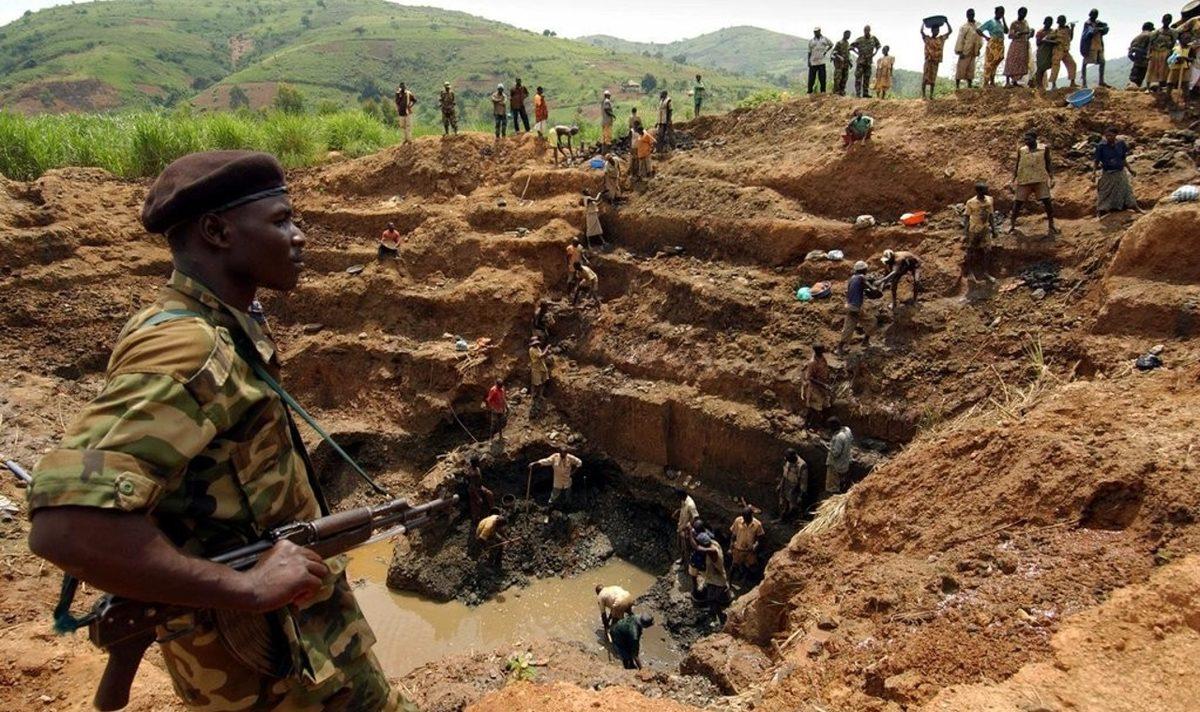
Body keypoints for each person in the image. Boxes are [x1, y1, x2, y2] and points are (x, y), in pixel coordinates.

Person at [26, 150, 404, 711]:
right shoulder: (190, 347)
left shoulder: (217, 324)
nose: (299, 236)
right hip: (269, 673)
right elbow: (66, 526)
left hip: (301, 644)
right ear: (216, 231)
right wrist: (248, 589)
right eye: (280, 220)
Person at [1009, 130, 1059, 235]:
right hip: (1024, 179)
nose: (1026, 141)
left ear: (1035, 139)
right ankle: (1012, 225)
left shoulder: (1044, 149)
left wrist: (1052, 177)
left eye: (1028, 139)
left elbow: (1048, 163)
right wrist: (1013, 179)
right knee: (1017, 203)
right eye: (1025, 139)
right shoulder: (1021, 150)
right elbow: (1018, 165)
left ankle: (1051, 224)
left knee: (1047, 202)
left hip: (1040, 179)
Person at [1094, 127, 1142, 217]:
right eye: (1106, 135)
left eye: (1110, 135)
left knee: (1126, 190)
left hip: (1120, 172)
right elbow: (1096, 161)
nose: (1108, 137)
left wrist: (1130, 169)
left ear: (1115, 135)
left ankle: (1134, 207)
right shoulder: (1101, 146)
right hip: (1108, 173)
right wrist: (1094, 173)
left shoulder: (1121, 144)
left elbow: (1123, 158)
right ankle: (1101, 211)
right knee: (1104, 192)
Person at [960, 181, 998, 288]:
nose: (987, 191)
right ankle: (970, 273)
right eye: (985, 189)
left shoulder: (989, 200)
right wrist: (965, 232)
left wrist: (994, 229)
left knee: (987, 251)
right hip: (974, 230)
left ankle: (985, 273)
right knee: (971, 251)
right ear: (979, 191)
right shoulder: (970, 202)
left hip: (985, 229)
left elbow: (991, 215)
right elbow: (967, 217)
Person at [836, 260, 874, 354]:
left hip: (850, 305)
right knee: (872, 322)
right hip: (856, 307)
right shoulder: (861, 277)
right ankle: (865, 341)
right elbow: (872, 288)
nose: (866, 271)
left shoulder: (852, 278)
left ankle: (840, 348)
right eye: (866, 269)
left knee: (848, 327)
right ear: (863, 270)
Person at [693, 532, 729, 622]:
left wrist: (690, 532)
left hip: (718, 581)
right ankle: (712, 613)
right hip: (712, 578)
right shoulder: (713, 543)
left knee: (713, 600)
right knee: (710, 597)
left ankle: (721, 617)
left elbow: (698, 548)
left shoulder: (712, 551)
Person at [729, 507, 765, 586]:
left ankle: (754, 584)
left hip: (750, 551)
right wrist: (731, 546)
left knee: (753, 568)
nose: (746, 520)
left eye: (748, 518)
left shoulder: (757, 524)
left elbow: (761, 538)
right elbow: (733, 535)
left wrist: (756, 546)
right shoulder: (738, 521)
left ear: (752, 515)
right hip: (738, 549)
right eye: (744, 518)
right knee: (734, 566)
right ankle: (729, 583)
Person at [801, 345, 832, 425]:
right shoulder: (812, 362)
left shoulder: (822, 357)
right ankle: (808, 425)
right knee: (815, 408)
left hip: (824, 386)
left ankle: (823, 424)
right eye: (822, 348)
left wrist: (827, 379)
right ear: (818, 350)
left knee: (826, 405)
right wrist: (823, 385)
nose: (824, 349)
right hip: (816, 388)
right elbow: (810, 378)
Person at [1079, 9, 1110, 89]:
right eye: (1093, 14)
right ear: (1090, 14)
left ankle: (1101, 81)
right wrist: (1098, 29)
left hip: (1099, 45)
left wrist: (1102, 28)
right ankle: (1084, 83)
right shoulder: (1087, 23)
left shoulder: (1098, 22)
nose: (1095, 16)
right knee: (1085, 63)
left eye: (1096, 14)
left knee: (1102, 62)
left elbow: (1105, 27)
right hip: (1091, 46)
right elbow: (1089, 32)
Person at [922, 21, 953, 99]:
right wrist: (923, 23)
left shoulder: (941, 39)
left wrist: (946, 22)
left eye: (937, 30)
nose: (936, 31)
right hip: (928, 61)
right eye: (935, 30)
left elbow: (950, 31)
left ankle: (931, 96)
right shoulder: (927, 39)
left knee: (933, 79)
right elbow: (921, 32)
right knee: (925, 78)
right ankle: (923, 95)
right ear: (932, 30)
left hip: (935, 61)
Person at [979, 7, 1009, 87]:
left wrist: (1004, 19)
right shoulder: (991, 22)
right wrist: (986, 37)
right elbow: (979, 30)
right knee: (990, 63)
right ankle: (986, 83)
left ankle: (992, 82)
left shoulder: (1000, 23)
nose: (1001, 14)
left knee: (996, 62)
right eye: (1000, 12)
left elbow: (1007, 31)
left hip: (1000, 44)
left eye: (1003, 13)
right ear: (995, 12)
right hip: (993, 43)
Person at [955, 9, 984, 89]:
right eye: (969, 14)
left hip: (973, 50)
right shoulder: (964, 27)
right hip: (965, 50)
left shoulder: (978, 25)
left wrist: (979, 48)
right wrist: (959, 51)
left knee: (971, 68)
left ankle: (969, 86)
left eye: (972, 14)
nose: (971, 16)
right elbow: (960, 39)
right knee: (961, 68)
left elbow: (980, 38)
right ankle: (957, 86)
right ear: (967, 15)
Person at [1147, 16, 1178, 92]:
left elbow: (1173, 43)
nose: (1166, 21)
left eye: (1168, 20)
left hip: (1165, 52)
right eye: (1165, 20)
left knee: (1163, 70)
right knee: (1151, 69)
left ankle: (1160, 87)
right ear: (1162, 20)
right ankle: (1148, 87)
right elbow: (1150, 43)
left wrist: (1171, 52)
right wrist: (1149, 54)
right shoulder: (1156, 32)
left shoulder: (1172, 32)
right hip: (1155, 52)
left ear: (1170, 21)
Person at [824, 418, 853, 496]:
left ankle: (833, 498)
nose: (829, 430)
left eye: (830, 427)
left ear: (834, 426)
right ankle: (842, 488)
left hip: (835, 465)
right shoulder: (847, 430)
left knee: (832, 486)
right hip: (845, 462)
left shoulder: (838, 437)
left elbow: (836, 453)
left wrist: (826, 447)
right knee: (841, 480)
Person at [1004, 8, 1032, 87]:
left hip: (1023, 45)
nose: (1023, 14)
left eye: (1025, 13)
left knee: (1020, 63)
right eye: (1022, 12)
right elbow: (1010, 35)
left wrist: (1030, 34)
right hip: (1015, 45)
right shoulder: (1014, 23)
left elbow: (1028, 34)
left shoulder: (1026, 23)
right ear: (1018, 13)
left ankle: (1015, 81)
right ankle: (1007, 81)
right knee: (1011, 62)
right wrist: (1020, 33)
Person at [777, 449, 809, 519]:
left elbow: (803, 482)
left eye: (789, 459)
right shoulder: (788, 460)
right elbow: (785, 473)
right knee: (783, 503)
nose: (788, 461)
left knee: (794, 506)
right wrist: (781, 484)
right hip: (785, 483)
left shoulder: (802, 465)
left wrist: (800, 495)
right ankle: (782, 519)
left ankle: (794, 522)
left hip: (794, 487)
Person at [465, 460, 495, 531]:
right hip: (473, 490)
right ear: (474, 463)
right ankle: (475, 521)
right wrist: (478, 497)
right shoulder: (472, 473)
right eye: (477, 462)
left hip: (480, 487)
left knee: (490, 494)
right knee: (475, 506)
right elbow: (472, 486)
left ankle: (493, 509)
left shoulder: (476, 468)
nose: (478, 463)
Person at [852, 26, 882, 98]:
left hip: (868, 62)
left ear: (869, 30)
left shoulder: (873, 39)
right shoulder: (859, 39)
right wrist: (857, 53)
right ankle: (858, 94)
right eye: (865, 30)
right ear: (863, 31)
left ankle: (865, 93)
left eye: (867, 30)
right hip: (861, 62)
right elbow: (851, 47)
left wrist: (875, 53)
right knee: (858, 78)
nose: (866, 32)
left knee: (867, 78)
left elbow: (878, 46)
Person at [1050, 16, 1078, 88]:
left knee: (1072, 64)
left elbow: (1070, 38)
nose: (1063, 22)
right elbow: (1049, 39)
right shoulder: (1055, 31)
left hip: (1065, 50)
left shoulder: (1067, 29)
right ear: (1058, 22)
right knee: (1055, 67)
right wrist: (1056, 42)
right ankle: (1053, 84)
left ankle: (1072, 82)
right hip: (1058, 51)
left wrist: (1072, 28)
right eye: (1061, 21)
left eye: (1064, 21)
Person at [674, 488, 700, 563]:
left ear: (682, 495)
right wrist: (678, 511)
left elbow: (696, 517)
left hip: (685, 529)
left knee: (685, 547)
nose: (677, 497)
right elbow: (684, 509)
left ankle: (687, 564)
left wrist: (689, 525)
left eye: (678, 495)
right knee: (679, 545)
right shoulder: (683, 500)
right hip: (680, 526)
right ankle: (682, 559)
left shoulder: (691, 504)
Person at [1128, 22, 1155, 90]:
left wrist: (1136, 60)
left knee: (1134, 83)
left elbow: (1130, 54)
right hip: (1149, 62)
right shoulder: (1152, 36)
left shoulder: (1136, 38)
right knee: (1152, 84)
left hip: (1138, 63)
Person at [1033, 16, 1058, 90]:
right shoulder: (1040, 32)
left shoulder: (1053, 32)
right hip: (1042, 52)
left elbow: (1056, 40)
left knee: (1054, 68)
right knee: (1041, 69)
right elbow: (1038, 43)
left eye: (1050, 22)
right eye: (1048, 22)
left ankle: (1053, 84)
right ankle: (1039, 85)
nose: (1049, 24)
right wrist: (1047, 41)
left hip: (1050, 52)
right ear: (1044, 22)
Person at [808, 27, 834, 93]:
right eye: (814, 32)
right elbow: (809, 52)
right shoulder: (811, 41)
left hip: (821, 62)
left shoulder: (824, 39)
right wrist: (808, 61)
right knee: (811, 79)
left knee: (822, 78)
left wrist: (826, 51)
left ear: (820, 31)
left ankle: (823, 92)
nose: (815, 33)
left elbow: (831, 44)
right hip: (813, 61)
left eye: (817, 31)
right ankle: (809, 91)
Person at [832, 30, 853, 96]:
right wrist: (839, 57)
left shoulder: (847, 43)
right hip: (839, 64)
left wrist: (850, 61)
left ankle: (842, 91)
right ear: (844, 34)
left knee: (844, 78)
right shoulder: (839, 43)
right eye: (848, 35)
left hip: (846, 64)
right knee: (838, 78)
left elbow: (848, 53)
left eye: (849, 35)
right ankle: (836, 91)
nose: (849, 36)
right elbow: (834, 53)